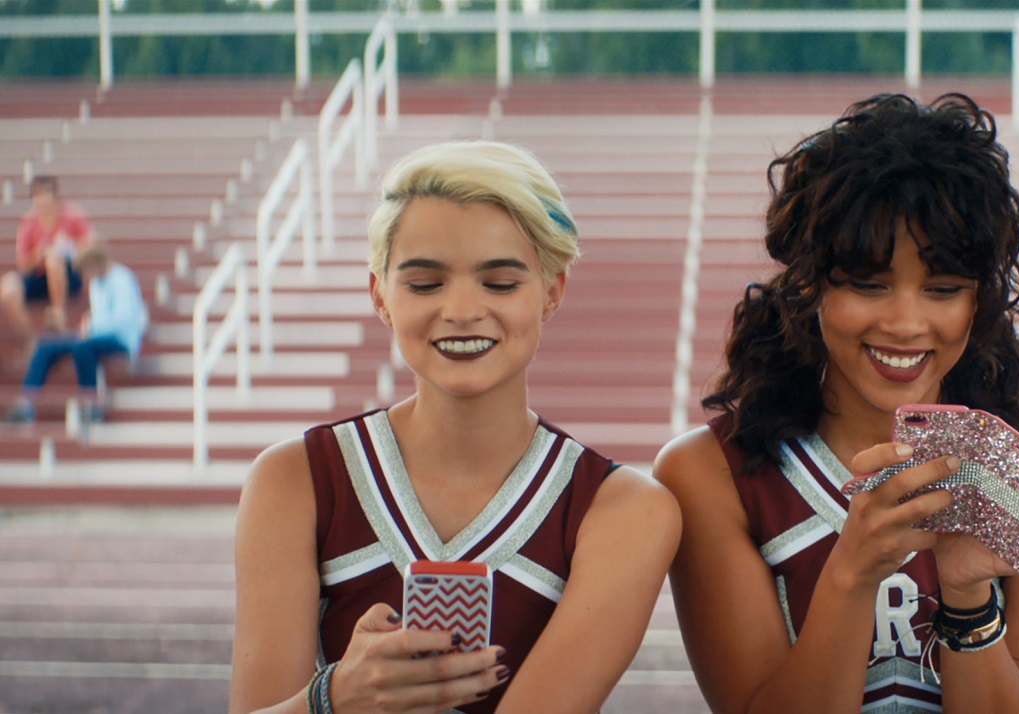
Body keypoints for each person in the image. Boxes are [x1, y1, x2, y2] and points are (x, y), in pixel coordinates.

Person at [653, 93, 1019, 712]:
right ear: (809, 284)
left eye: (943, 289)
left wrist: (969, 596)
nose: (906, 322)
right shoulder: (708, 474)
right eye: (868, 284)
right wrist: (851, 571)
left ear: (982, 302)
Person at [229, 140, 681, 713]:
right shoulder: (294, 480)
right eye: (425, 284)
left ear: (552, 291)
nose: (463, 310)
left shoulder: (623, 510)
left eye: (500, 283)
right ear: (380, 295)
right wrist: (334, 698)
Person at [7, 243, 148, 424]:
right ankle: (27, 403)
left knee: (83, 347)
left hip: (120, 338)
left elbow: (123, 320)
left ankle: (90, 405)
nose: (87, 275)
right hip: (95, 335)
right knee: (46, 346)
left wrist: (91, 328)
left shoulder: (122, 279)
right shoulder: (96, 284)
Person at [1, 175, 95, 340]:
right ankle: (31, 338)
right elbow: (23, 265)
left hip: (69, 276)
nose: (43, 203)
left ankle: (58, 318)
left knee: (54, 258)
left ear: (55, 197)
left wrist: (69, 248)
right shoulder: (29, 222)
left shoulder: (72, 215)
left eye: (46, 196)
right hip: (38, 276)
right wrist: (38, 255)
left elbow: (91, 247)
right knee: (8, 287)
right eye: (39, 197)